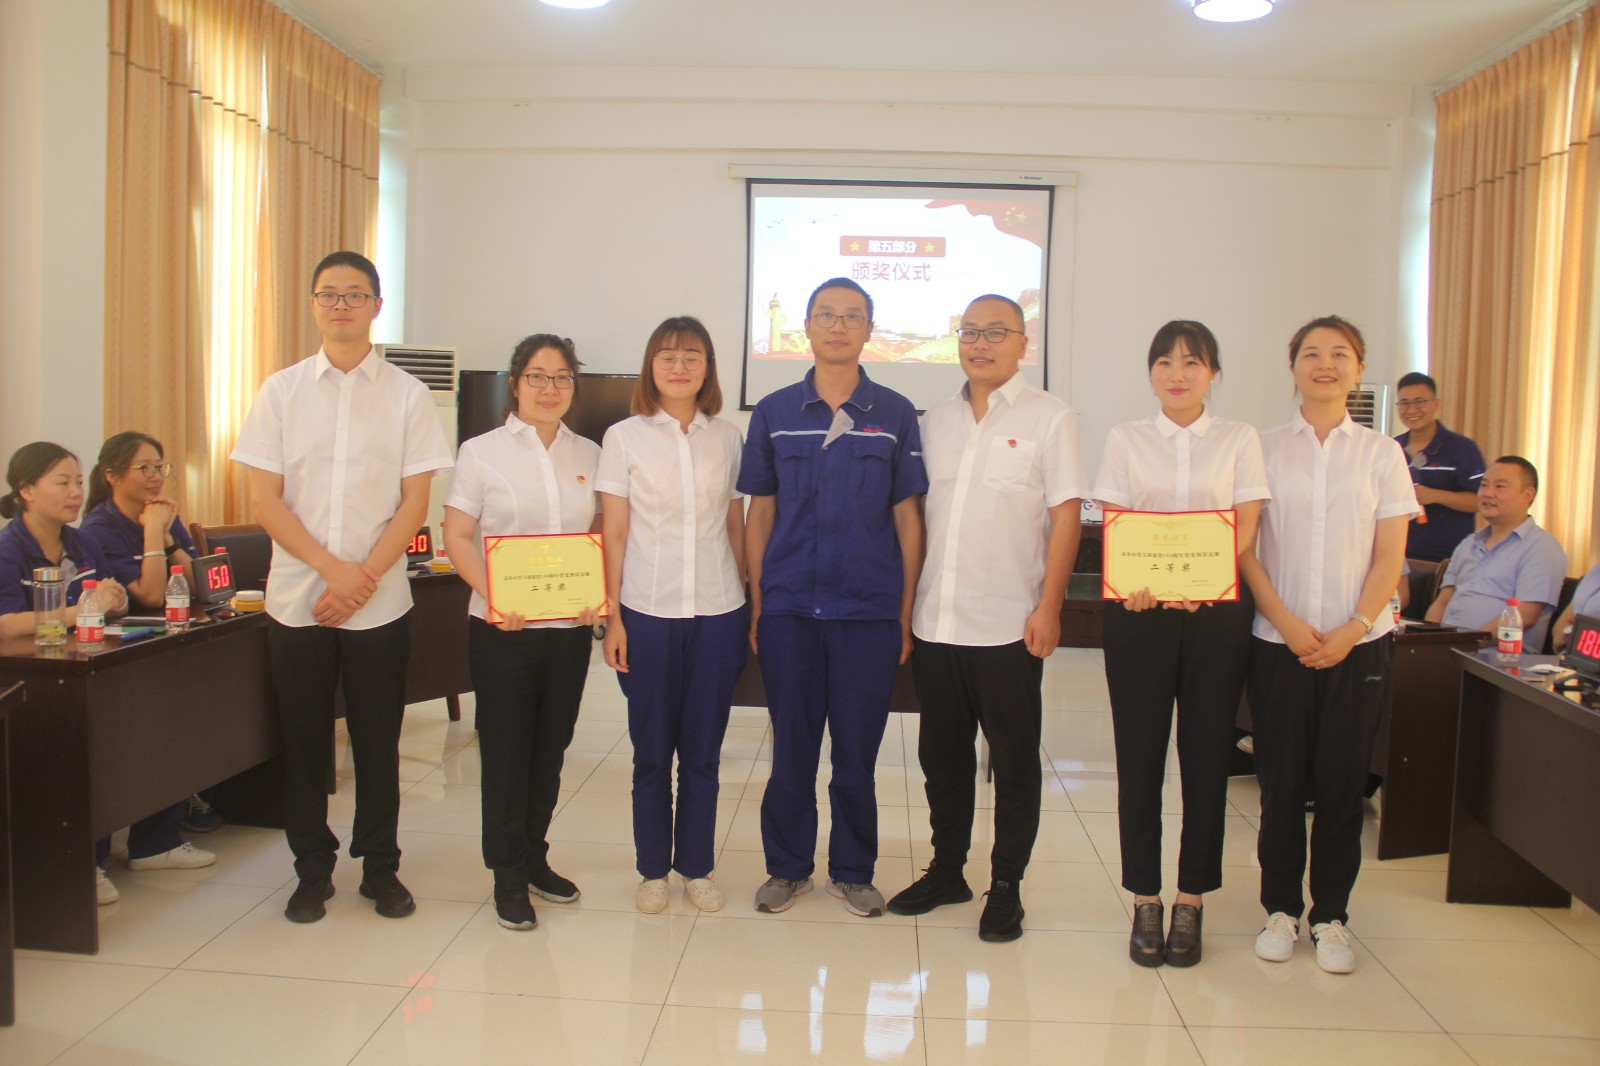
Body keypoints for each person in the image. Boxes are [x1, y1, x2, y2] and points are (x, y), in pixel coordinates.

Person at [232, 251, 452, 924]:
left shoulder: (408, 395)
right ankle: (311, 869)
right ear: (312, 304)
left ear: (376, 307)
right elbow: (264, 501)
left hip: (379, 602)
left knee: (378, 741)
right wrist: (334, 572)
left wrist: (361, 579)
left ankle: (380, 867)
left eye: (355, 295)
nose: (341, 305)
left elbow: (414, 504)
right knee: (303, 742)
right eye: (329, 294)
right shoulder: (280, 392)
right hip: (298, 600)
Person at [888, 294, 1083, 942]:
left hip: (1009, 624)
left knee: (1014, 762)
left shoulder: (1050, 417)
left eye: (996, 332)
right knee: (942, 760)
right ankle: (948, 871)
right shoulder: (935, 421)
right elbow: (915, 520)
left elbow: (1065, 518)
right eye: (969, 331)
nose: (980, 343)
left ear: (1023, 343)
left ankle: (1006, 886)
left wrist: (1050, 606)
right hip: (937, 621)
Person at [739, 277, 927, 918]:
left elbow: (907, 519)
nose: (838, 326)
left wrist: (904, 612)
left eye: (851, 316)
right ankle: (787, 867)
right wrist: (759, 603)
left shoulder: (895, 413)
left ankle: (853, 870)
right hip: (790, 608)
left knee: (856, 753)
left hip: (867, 613)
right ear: (808, 327)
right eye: (826, 315)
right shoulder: (774, 412)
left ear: (869, 329)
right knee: (791, 748)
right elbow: (760, 514)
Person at [1240, 315, 1418, 975]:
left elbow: (1390, 555)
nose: (1325, 364)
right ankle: (1281, 909)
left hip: (1358, 646)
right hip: (1277, 642)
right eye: (1311, 353)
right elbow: (1245, 549)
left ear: (1359, 368)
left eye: (1339, 354)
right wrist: (1286, 622)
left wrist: (1354, 628)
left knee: (1344, 787)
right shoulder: (1260, 448)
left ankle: (1332, 916)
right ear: (1292, 368)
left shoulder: (1381, 453)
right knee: (1281, 785)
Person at [1092, 320, 1268, 967]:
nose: (1177, 373)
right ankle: (1145, 896)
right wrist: (1143, 584)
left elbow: (1246, 524)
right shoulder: (1126, 438)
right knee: (1139, 756)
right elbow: (1116, 524)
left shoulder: (1239, 439)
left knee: (1206, 757)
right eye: (1164, 362)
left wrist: (1205, 580)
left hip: (1217, 614)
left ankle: (1190, 899)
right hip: (1138, 614)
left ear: (1212, 373)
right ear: (1151, 372)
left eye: (1192, 362)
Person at [0, 442, 211, 904]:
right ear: (26, 491)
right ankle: (85, 862)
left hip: (88, 661)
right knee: (87, 749)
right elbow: (6, 623)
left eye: (78, 482)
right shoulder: (8, 547)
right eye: (62, 483)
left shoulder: (81, 543)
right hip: (32, 679)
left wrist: (110, 600)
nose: (76, 492)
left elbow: (103, 600)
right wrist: (81, 610)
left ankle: (157, 840)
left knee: (161, 716)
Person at [442, 333, 603, 931]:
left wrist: (596, 596)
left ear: (573, 387)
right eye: (537, 376)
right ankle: (507, 875)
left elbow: (600, 536)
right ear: (516, 384)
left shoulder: (590, 454)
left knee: (550, 750)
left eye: (561, 377)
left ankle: (535, 857)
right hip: (502, 628)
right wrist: (495, 594)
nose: (549, 388)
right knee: (507, 753)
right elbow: (456, 535)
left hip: (567, 630)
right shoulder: (481, 452)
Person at [597, 316, 747, 915]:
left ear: (708, 367)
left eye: (692, 356)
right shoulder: (623, 437)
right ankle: (653, 870)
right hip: (647, 610)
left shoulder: (728, 438)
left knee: (703, 752)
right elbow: (614, 532)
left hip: (718, 610)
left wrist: (748, 597)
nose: (679, 367)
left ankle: (697, 867)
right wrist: (613, 618)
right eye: (667, 356)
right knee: (653, 753)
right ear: (650, 366)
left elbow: (735, 524)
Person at [81, 432, 223, 834]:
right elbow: (150, 594)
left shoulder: (162, 514)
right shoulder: (99, 526)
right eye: (143, 468)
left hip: (171, 634)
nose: (155, 476)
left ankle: (192, 789)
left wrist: (166, 537)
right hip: (127, 645)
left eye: (159, 467)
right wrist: (151, 534)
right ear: (111, 475)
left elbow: (198, 584)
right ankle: (165, 810)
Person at [1425, 456, 1568, 650]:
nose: (1487, 493)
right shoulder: (1469, 543)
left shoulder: (1541, 547)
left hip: (1497, 659)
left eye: (1500, 487)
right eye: (1484, 485)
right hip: (1448, 650)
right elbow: (1442, 602)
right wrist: (1426, 641)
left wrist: (1462, 645)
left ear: (1528, 495)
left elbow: (1525, 616)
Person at [1393, 371, 1486, 563]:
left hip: (1447, 561)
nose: (1412, 409)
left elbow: (1480, 501)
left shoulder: (1462, 448)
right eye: (1404, 403)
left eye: (1420, 402)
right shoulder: (1392, 448)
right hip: (1398, 557)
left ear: (1435, 404)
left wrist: (1435, 496)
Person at [1552, 560, 1600, 653]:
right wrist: (1572, 633)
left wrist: (1576, 635)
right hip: (1573, 656)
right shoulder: (1595, 574)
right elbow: (1559, 632)